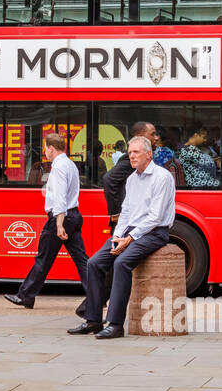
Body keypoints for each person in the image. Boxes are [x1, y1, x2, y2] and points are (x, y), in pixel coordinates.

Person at [72, 136, 176, 338]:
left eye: (135, 152)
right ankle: (93, 320)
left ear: (148, 154)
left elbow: (155, 218)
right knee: (94, 263)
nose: (131, 156)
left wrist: (129, 239)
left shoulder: (162, 177)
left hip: (155, 232)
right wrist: (118, 235)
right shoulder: (131, 179)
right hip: (129, 231)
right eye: (129, 153)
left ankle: (116, 324)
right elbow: (125, 212)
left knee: (121, 263)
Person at [70, 122, 156, 320]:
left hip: (137, 228)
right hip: (127, 227)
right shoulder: (131, 168)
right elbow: (111, 184)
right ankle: (93, 312)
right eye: (152, 134)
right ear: (141, 136)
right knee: (99, 263)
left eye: (136, 152)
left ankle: (100, 312)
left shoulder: (154, 176)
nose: (156, 138)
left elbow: (154, 215)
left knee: (115, 264)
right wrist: (116, 218)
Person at [5, 133, 87, 309]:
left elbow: (60, 198)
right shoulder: (70, 165)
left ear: (51, 148)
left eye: (45, 148)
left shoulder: (57, 168)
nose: (45, 152)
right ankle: (98, 295)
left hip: (61, 218)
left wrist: (58, 224)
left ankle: (25, 295)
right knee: (81, 260)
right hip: (74, 215)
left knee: (43, 259)